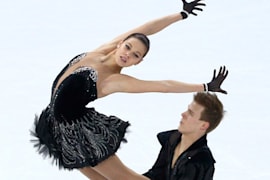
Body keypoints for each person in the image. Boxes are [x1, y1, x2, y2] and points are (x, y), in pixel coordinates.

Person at [30, 0, 228, 179]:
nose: (128, 55)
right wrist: (181, 15)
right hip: (55, 125)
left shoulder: (114, 80)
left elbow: (164, 86)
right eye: (128, 47)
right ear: (120, 44)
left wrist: (205, 86)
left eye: (135, 55)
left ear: (138, 62)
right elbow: (145, 29)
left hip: (79, 132)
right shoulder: (101, 51)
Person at [143, 92, 224, 180]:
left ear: (203, 125)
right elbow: (154, 176)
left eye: (191, 113)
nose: (183, 114)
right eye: (187, 110)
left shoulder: (200, 162)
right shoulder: (172, 140)